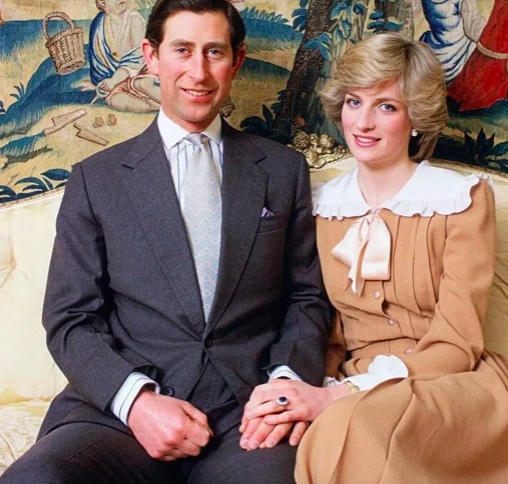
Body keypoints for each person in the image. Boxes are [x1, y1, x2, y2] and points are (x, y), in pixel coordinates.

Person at [0, 0, 329, 482]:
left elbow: (307, 298)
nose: (198, 71)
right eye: (182, 50)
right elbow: (70, 318)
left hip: (248, 413)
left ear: (236, 61)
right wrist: (136, 402)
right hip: (121, 414)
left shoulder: (282, 170)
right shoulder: (97, 179)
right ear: (151, 57)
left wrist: (284, 387)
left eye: (214, 51)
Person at [241, 32, 508, 483]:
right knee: (308, 432)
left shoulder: (461, 200)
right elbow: (322, 325)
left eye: (386, 106)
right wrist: (302, 393)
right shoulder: (322, 206)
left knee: (353, 422)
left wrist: (340, 395)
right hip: (352, 383)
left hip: (451, 383)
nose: (363, 123)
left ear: (415, 116)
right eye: (354, 102)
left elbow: (458, 343)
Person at [80, 0, 161, 112]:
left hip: (141, 70)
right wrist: (101, 84)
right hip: (118, 80)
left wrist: (114, 80)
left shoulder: (134, 19)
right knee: (115, 100)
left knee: (141, 84)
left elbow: (137, 56)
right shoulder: (98, 25)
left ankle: (175, 105)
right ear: (102, 2)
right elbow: (99, 65)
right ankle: (156, 107)